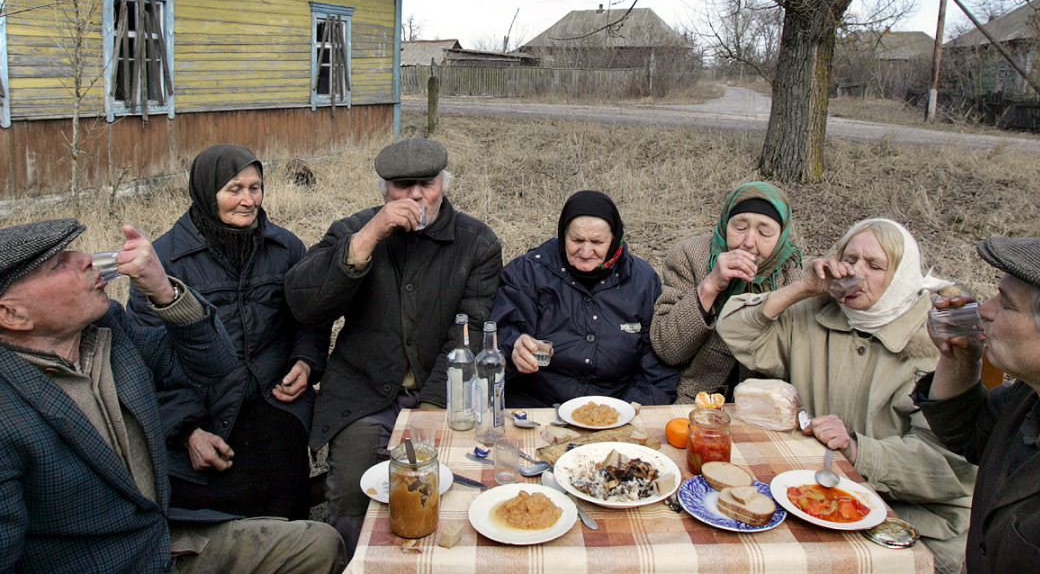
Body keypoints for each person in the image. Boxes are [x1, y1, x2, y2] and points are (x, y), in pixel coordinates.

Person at [0, 219, 345, 573]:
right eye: (58, 264)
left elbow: (215, 365)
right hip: (103, 563)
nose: (86, 259)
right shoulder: (8, 408)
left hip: (161, 541)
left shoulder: (107, 331)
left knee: (319, 546)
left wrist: (165, 292)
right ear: (12, 314)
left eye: (75, 251)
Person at [717, 218, 976, 573]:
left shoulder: (935, 342)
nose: (856, 272)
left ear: (901, 278)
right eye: (850, 259)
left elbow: (948, 466)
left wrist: (857, 450)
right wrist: (802, 288)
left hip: (913, 517)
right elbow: (732, 329)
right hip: (819, 494)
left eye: (875, 266)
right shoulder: (815, 311)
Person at [285, 137, 502, 555]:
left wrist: (432, 408)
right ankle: (355, 561)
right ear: (385, 189)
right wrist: (368, 238)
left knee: (449, 487)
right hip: (364, 391)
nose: (416, 195)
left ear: (444, 182)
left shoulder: (477, 243)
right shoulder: (355, 229)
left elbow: (471, 331)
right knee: (353, 490)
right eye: (403, 185)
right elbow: (303, 302)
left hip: (444, 392)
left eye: (427, 183)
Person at [128, 144, 330, 520]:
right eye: (234, 189)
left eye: (255, 188)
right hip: (198, 405)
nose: (248, 200)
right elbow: (144, 357)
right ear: (207, 191)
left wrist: (305, 360)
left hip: (272, 397)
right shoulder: (164, 261)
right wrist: (187, 430)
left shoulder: (285, 247)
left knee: (283, 493)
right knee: (208, 510)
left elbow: (310, 316)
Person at [914, 236, 1040, 573]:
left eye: (1006, 304)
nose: (984, 310)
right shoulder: (1032, 398)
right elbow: (966, 433)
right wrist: (960, 358)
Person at [491, 190, 678, 408]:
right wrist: (514, 347)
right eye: (577, 240)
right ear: (562, 235)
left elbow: (656, 366)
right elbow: (500, 332)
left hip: (615, 407)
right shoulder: (528, 272)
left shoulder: (643, 281)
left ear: (615, 239)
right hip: (536, 405)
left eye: (597, 242)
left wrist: (628, 412)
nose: (586, 251)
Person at [652, 181, 802, 404]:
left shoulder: (789, 270)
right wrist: (710, 285)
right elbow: (668, 348)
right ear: (724, 224)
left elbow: (794, 358)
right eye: (740, 228)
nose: (749, 242)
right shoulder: (689, 256)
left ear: (781, 236)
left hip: (763, 405)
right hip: (694, 398)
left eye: (764, 232)